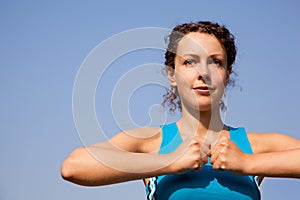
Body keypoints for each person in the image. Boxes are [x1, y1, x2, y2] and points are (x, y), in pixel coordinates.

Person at [61, 21, 300, 200]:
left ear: (227, 75)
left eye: (215, 61)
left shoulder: (253, 146)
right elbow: (73, 167)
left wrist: (248, 163)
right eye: (189, 61)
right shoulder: (150, 143)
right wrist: (170, 161)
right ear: (171, 74)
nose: (203, 73)